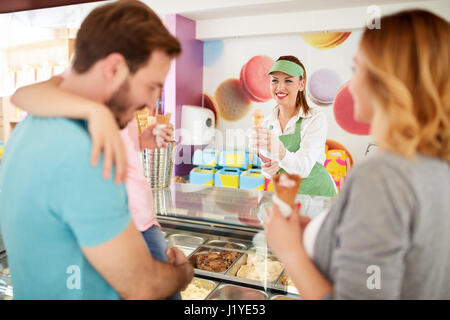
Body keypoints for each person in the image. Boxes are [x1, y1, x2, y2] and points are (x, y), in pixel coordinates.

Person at [0, 0, 193, 299]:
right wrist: (183, 273)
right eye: (151, 86)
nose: (152, 102)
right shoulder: (85, 151)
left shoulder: (31, 126)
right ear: (114, 68)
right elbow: (143, 286)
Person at [264, 9, 450, 299]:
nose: (350, 86)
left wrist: (289, 249)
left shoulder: (381, 175)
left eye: (357, 69)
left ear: (387, 81)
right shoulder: (437, 166)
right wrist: (321, 231)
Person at [249, 56, 337, 197]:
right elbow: (270, 168)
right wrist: (267, 169)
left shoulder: (315, 118)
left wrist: (280, 151)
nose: (280, 87)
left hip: (318, 195)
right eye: (275, 80)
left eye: (288, 81)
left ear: (301, 85)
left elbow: (304, 168)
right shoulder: (268, 123)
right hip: (287, 196)